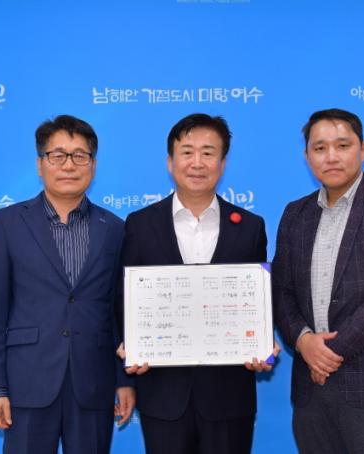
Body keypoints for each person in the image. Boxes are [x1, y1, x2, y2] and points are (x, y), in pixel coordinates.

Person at [118, 113, 278, 454]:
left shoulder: (250, 227)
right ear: (170, 161)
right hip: (162, 395)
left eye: (208, 153)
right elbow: (123, 302)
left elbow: (259, 303)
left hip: (229, 396)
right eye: (187, 152)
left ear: (222, 163)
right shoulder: (140, 225)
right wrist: (128, 345)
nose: (197, 163)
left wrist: (262, 343)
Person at [0, 115, 134, 454]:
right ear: (40, 164)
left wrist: (124, 380)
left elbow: (119, 312)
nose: (69, 165)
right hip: (27, 382)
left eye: (80, 156)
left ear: (93, 166)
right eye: (57, 155)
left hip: (93, 383)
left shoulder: (115, 228)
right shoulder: (7, 224)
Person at [272, 108, 364, 454]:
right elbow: (281, 291)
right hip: (311, 389)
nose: (331, 156)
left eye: (342, 145)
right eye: (320, 148)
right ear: (307, 156)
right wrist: (304, 341)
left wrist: (328, 353)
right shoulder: (295, 214)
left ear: (362, 149)